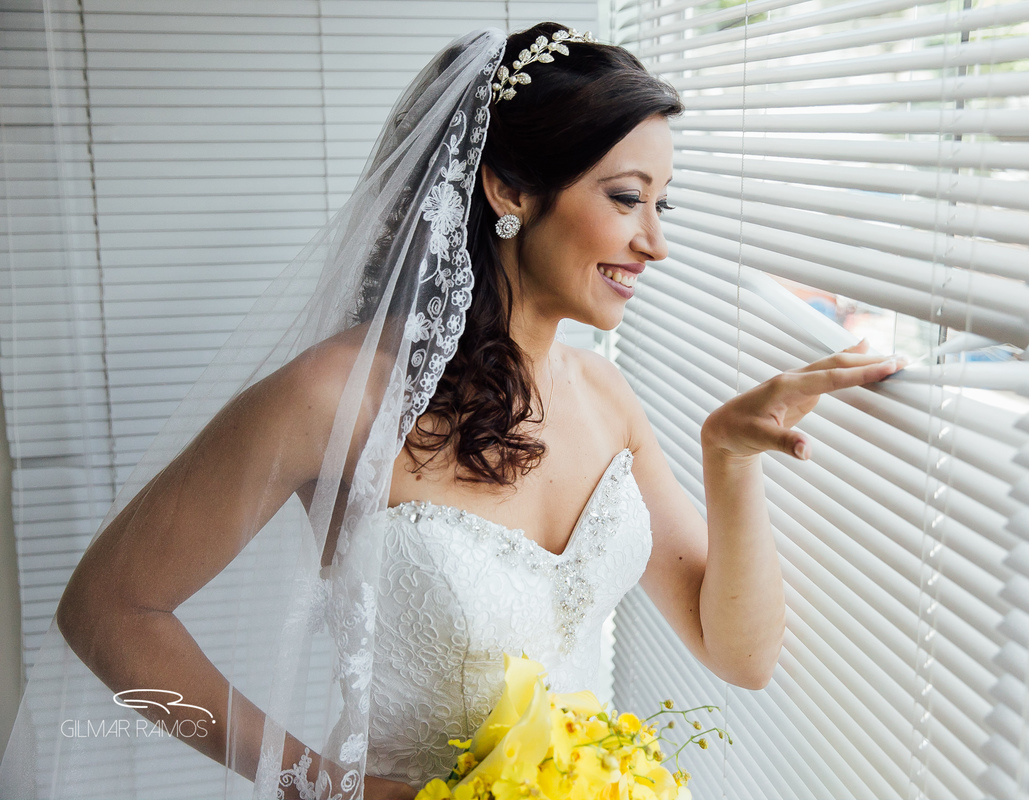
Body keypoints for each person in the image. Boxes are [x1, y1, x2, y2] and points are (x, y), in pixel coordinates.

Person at [0, 22, 900, 800]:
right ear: (508, 190)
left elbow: (740, 657)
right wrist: (312, 782)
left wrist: (728, 459)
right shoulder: (337, 399)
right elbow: (106, 611)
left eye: (665, 204)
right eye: (626, 198)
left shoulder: (608, 398)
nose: (655, 242)